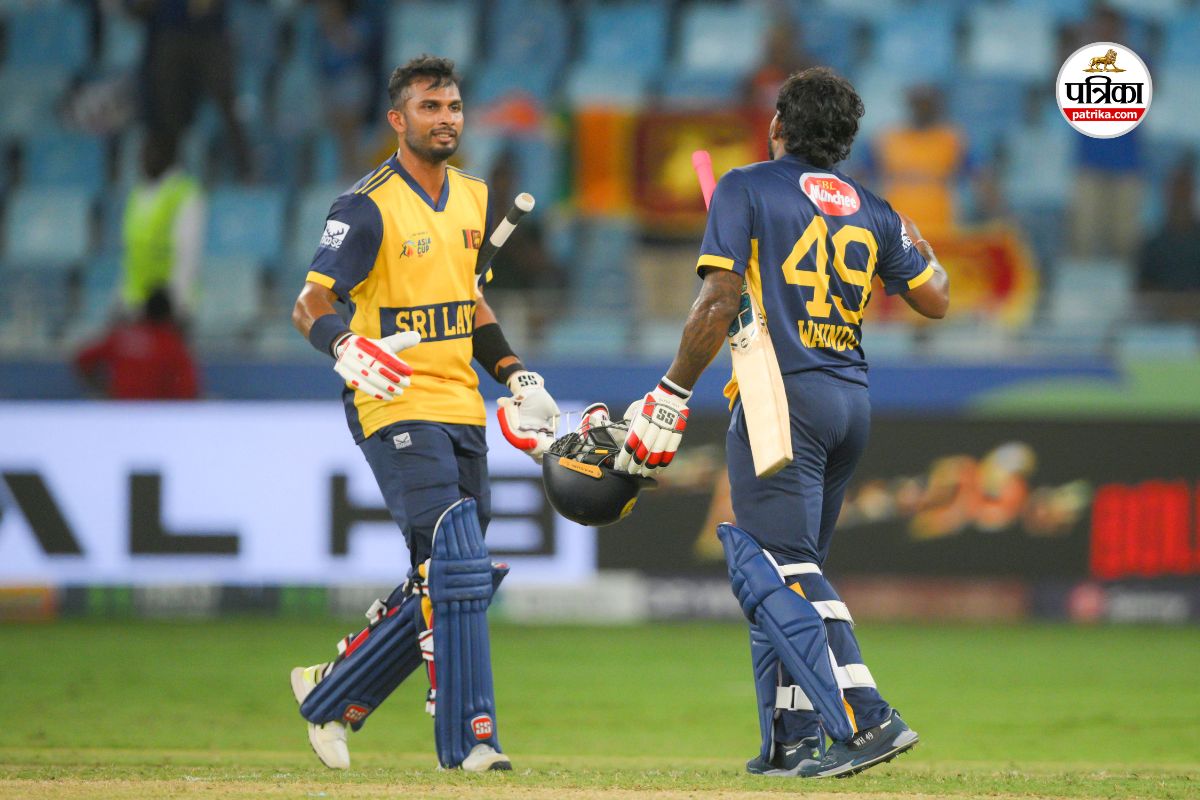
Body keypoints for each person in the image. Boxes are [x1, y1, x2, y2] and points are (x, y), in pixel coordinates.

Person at [615, 67, 949, 778]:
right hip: (849, 400)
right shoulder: (875, 208)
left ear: (778, 125)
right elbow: (936, 299)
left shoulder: (745, 187)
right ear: (846, 140)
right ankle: (789, 737)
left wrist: (671, 391)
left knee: (778, 569)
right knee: (792, 573)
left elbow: (718, 299)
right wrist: (917, 242)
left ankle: (868, 720)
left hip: (779, 397)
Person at [287, 55, 559, 773]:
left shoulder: (474, 195)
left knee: (452, 578)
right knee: (454, 563)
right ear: (397, 119)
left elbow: (470, 302)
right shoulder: (365, 205)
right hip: (394, 398)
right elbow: (309, 303)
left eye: (454, 107)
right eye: (430, 107)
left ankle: (331, 688)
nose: (445, 119)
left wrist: (515, 373)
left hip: (461, 400)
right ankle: (471, 738)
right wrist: (344, 345)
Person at [120, 131, 205, 317]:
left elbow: (188, 253)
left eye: (152, 151)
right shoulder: (137, 195)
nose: (144, 158)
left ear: (169, 156)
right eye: (143, 152)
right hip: (137, 304)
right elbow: (131, 255)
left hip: (171, 307)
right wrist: (125, 299)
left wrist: (176, 303)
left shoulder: (184, 193)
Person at [74, 288, 200, 400]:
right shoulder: (172, 345)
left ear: (145, 312)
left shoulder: (123, 337)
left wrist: (102, 389)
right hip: (154, 412)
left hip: (120, 410)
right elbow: (187, 390)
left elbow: (82, 359)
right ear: (168, 316)